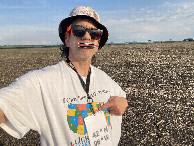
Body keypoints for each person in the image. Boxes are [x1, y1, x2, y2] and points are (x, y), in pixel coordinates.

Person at [0, 6, 128, 146]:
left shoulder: (105, 79)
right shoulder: (41, 82)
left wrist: (123, 103)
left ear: (98, 43)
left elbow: (121, 98)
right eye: (79, 31)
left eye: (94, 33)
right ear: (67, 40)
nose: (87, 37)